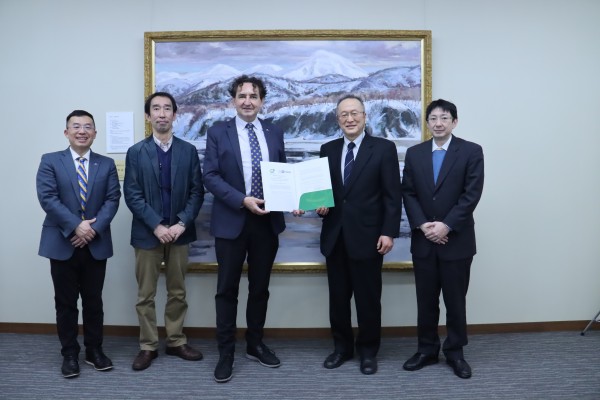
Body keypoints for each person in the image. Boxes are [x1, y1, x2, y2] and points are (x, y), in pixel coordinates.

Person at [203, 75, 287, 383]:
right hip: (232, 220)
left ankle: (255, 344)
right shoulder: (217, 132)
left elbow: (284, 172)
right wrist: (242, 200)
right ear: (233, 101)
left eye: (254, 95)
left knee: (260, 288)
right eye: (242, 95)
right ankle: (226, 352)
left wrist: (293, 197)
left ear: (262, 101)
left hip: (267, 221)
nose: (248, 100)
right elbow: (210, 176)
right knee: (226, 291)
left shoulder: (274, 131)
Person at [316, 94, 402, 375]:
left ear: (365, 116)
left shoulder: (384, 149)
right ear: (337, 119)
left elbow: (392, 196)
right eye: (344, 115)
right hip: (335, 237)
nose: (349, 119)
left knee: (368, 300)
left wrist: (389, 232)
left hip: (369, 238)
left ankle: (368, 351)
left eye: (355, 113)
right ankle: (342, 348)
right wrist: (318, 206)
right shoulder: (327, 149)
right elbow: (326, 196)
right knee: (337, 300)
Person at [401, 99, 484, 379]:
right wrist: (425, 225)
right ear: (427, 123)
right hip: (423, 240)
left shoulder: (471, 151)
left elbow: (471, 194)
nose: (438, 123)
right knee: (426, 300)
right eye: (433, 118)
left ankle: (455, 352)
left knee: (455, 300)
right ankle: (426, 350)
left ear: (454, 122)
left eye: (444, 118)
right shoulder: (414, 153)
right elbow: (408, 193)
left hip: (456, 241)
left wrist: (446, 226)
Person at [36, 110, 121, 378]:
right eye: (76, 126)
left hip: (95, 244)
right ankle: (69, 354)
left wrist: (91, 229)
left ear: (95, 133)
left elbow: (112, 200)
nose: (82, 131)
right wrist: (77, 225)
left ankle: (94, 351)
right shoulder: (50, 161)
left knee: (94, 301)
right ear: (66, 133)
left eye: (88, 127)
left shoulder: (106, 164)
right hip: (62, 243)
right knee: (65, 302)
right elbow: (48, 197)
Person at [124, 92, 204, 371]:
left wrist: (181, 223)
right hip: (148, 234)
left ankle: (176, 341)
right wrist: (157, 225)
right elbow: (132, 195)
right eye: (155, 109)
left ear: (174, 115)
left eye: (166, 109)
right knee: (145, 295)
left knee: (177, 291)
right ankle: (148, 346)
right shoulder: (136, 152)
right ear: (148, 116)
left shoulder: (189, 151)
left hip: (181, 232)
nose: (161, 113)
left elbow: (197, 192)